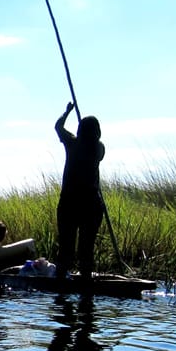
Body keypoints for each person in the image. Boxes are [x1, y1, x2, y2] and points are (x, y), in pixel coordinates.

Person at [54, 102, 105, 280]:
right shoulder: (99, 148)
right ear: (97, 132)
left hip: (70, 203)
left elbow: (58, 126)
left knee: (66, 247)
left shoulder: (72, 143)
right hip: (91, 204)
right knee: (86, 248)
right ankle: (85, 282)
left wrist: (66, 111)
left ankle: (61, 282)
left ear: (80, 130)